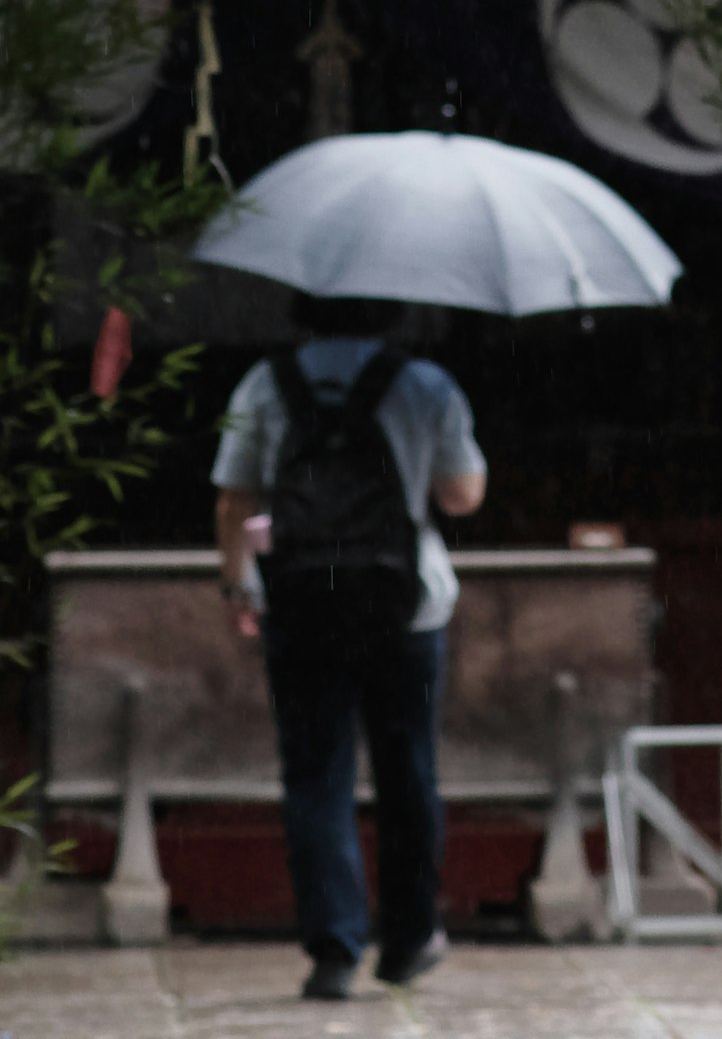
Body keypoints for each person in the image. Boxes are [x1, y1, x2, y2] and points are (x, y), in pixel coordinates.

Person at [213, 295, 488, 1002]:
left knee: (315, 774)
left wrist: (240, 588)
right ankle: (408, 939)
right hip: (406, 606)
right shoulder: (424, 384)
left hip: (300, 599)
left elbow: (232, 497)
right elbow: (461, 495)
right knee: (408, 772)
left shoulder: (264, 384)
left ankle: (334, 949)